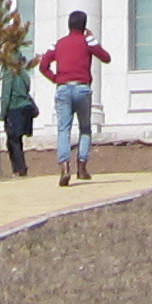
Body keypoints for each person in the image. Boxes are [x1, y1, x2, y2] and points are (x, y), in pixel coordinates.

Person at [34, 9, 117, 185]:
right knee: (85, 128)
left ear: (69, 25)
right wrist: (92, 39)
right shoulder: (87, 41)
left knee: (63, 129)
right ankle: (82, 167)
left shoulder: (58, 44)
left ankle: (64, 167)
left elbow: (43, 65)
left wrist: (55, 78)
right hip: (82, 88)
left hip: (63, 88)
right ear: (84, 25)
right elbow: (106, 57)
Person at [0, 57, 38, 180]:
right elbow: (27, 89)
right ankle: (20, 169)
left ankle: (19, 170)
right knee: (18, 140)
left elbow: (6, 95)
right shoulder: (24, 73)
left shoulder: (9, 72)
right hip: (25, 109)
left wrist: (2, 114)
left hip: (14, 109)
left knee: (13, 141)